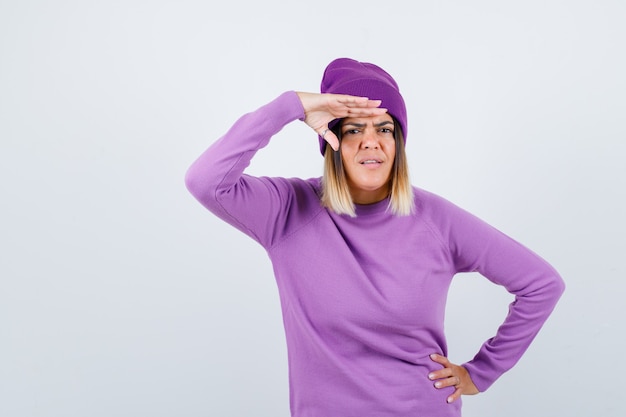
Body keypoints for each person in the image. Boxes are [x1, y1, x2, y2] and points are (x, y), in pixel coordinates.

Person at [185, 57, 565, 417]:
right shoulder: (287, 211)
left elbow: (541, 284)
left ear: (398, 143)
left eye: (384, 128)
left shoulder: (436, 219)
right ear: (331, 141)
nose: (371, 141)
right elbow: (205, 181)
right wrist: (291, 106)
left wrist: (480, 373)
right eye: (353, 129)